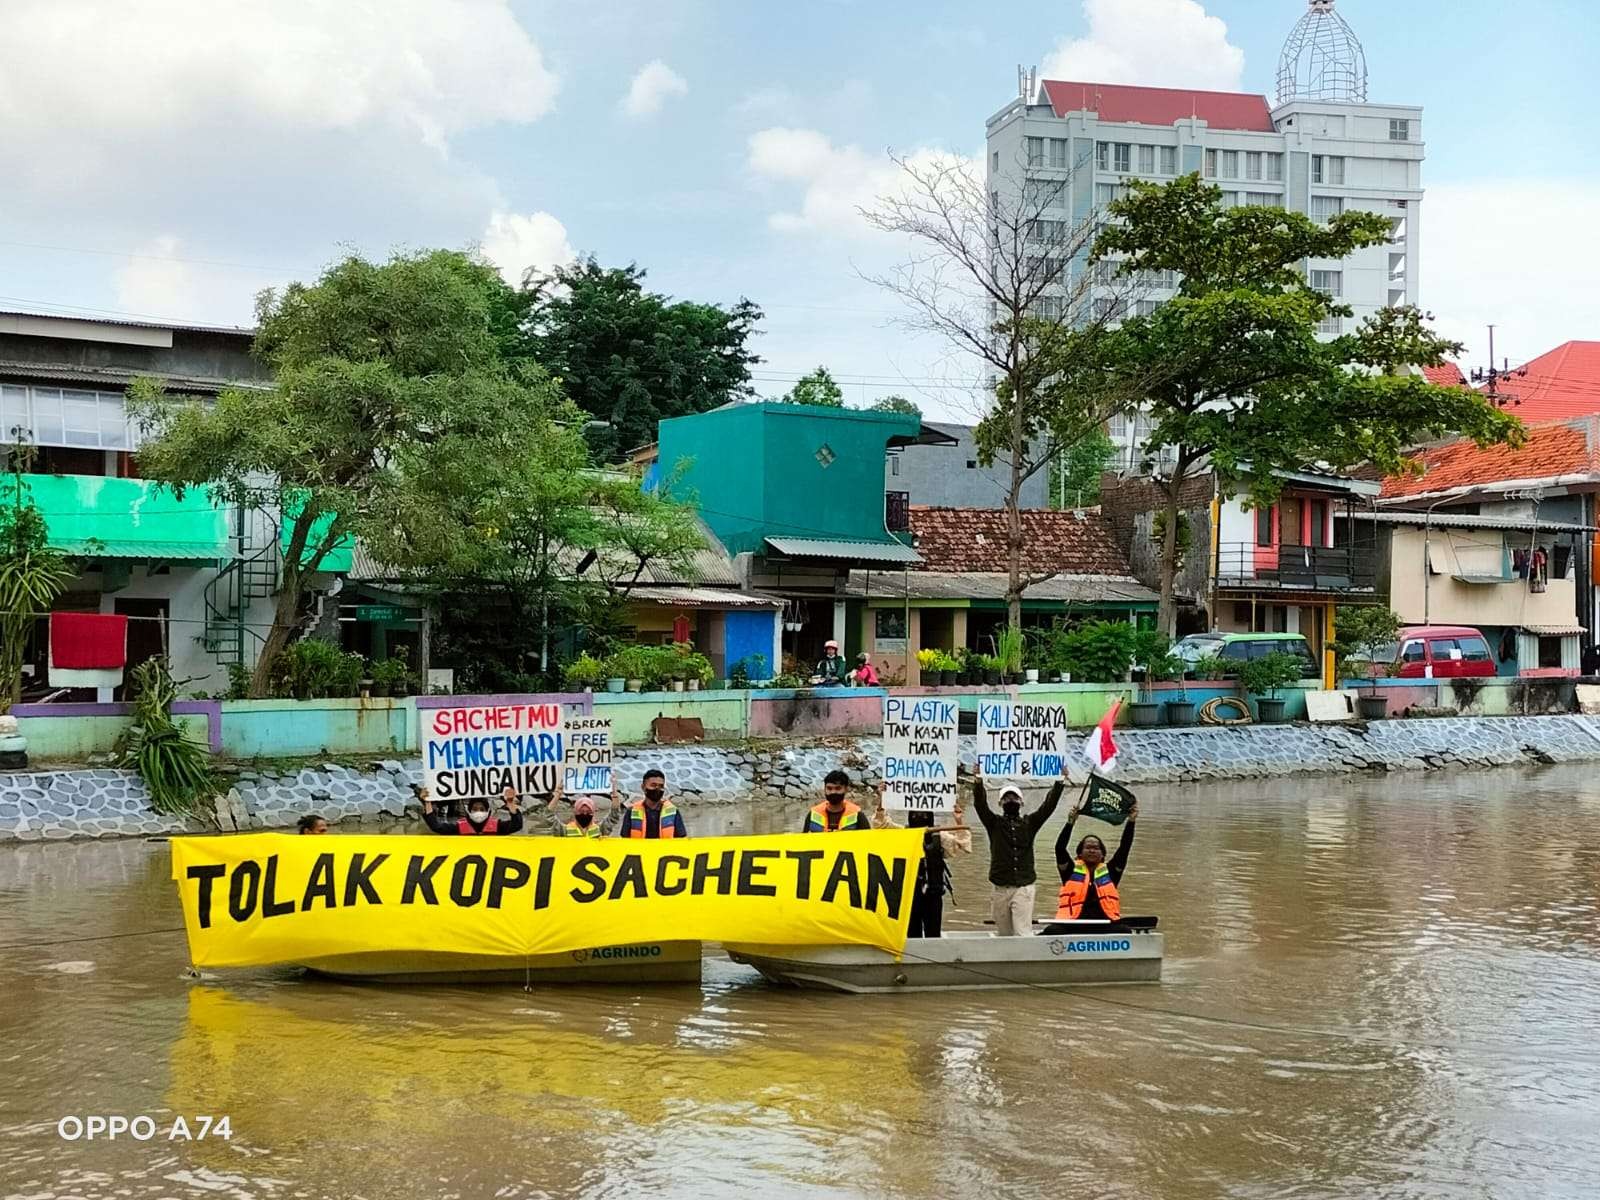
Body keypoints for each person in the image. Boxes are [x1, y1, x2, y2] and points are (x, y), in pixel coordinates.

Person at [971, 770, 1063, 936]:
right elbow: (980, 805)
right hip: (1000, 887)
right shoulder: (994, 824)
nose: (1010, 801)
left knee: (1022, 932)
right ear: (1000, 803)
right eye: (1006, 798)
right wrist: (978, 781)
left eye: (1014, 798)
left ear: (1021, 802)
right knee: (1004, 933)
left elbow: (1048, 807)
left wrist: (1059, 782)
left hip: (1024, 887)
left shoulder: (1030, 823)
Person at [873, 788, 972, 937]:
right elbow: (880, 824)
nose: (919, 817)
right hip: (908, 896)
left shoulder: (940, 837)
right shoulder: (902, 835)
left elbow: (964, 845)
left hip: (933, 894)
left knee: (933, 934)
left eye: (924, 814)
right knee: (912, 934)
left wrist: (958, 820)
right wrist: (882, 801)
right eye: (915, 814)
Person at [1053, 797, 1137, 922]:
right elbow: (1060, 848)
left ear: (1103, 855)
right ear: (1079, 854)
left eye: (1096, 848)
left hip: (1105, 923)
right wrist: (1070, 823)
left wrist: (1131, 821)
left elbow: (1124, 848)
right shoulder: (1069, 870)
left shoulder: (1112, 871)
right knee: (1053, 932)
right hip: (1073, 923)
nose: (1092, 850)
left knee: (1124, 931)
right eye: (1088, 847)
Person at [612, 768, 688, 838]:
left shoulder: (673, 812)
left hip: (665, 851)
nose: (657, 789)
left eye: (661, 786)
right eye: (653, 785)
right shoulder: (631, 811)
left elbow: (681, 841)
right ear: (643, 787)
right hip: (639, 851)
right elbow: (624, 841)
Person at [416, 786, 524, 835]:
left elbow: (517, 825)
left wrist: (510, 803)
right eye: (475, 809)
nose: (478, 812)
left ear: (488, 811)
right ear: (469, 811)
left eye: (482, 809)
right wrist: (427, 802)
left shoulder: (498, 827)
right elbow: (436, 827)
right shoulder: (459, 828)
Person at [531, 782, 606, 838]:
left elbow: (614, 816)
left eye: (588, 812)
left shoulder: (599, 830)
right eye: (581, 812)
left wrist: (615, 795)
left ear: (593, 813)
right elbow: (548, 816)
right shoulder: (565, 831)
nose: (585, 814)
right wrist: (557, 795)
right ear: (575, 812)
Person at [802, 769, 868, 831]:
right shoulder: (813, 814)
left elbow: (869, 839)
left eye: (838, 788)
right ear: (824, 789)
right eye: (829, 788)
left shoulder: (858, 815)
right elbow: (804, 839)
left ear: (846, 789)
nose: (833, 792)